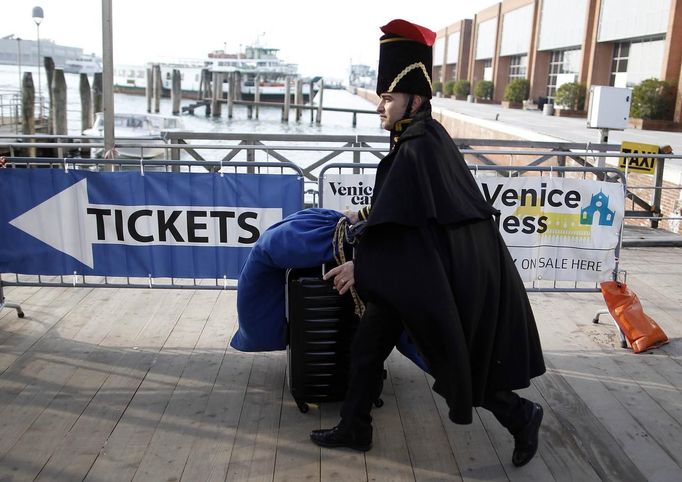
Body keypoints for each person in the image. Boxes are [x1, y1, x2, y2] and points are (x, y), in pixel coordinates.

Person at [312, 19, 546, 468]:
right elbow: (405, 211)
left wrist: (362, 268)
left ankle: (521, 415)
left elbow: (414, 229)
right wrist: (363, 215)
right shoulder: (421, 139)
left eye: (388, 98)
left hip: (439, 277)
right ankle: (355, 426)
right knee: (368, 348)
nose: (380, 107)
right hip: (417, 272)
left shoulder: (417, 148)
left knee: (454, 361)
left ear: (414, 99)